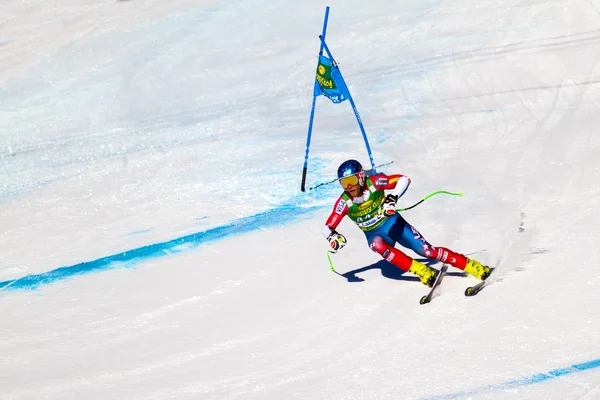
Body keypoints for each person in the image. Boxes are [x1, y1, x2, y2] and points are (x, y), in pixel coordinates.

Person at [322, 159, 490, 287]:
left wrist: (392, 198)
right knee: (376, 245)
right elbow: (327, 227)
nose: (349, 186)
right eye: (344, 183)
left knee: (428, 252)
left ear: (360, 176)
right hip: (376, 235)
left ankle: (472, 266)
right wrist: (333, 238)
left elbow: (404, 179)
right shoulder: (345, 202)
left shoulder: (374, 183)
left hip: (393, 224)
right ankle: (422, 271)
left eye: (351, 180)